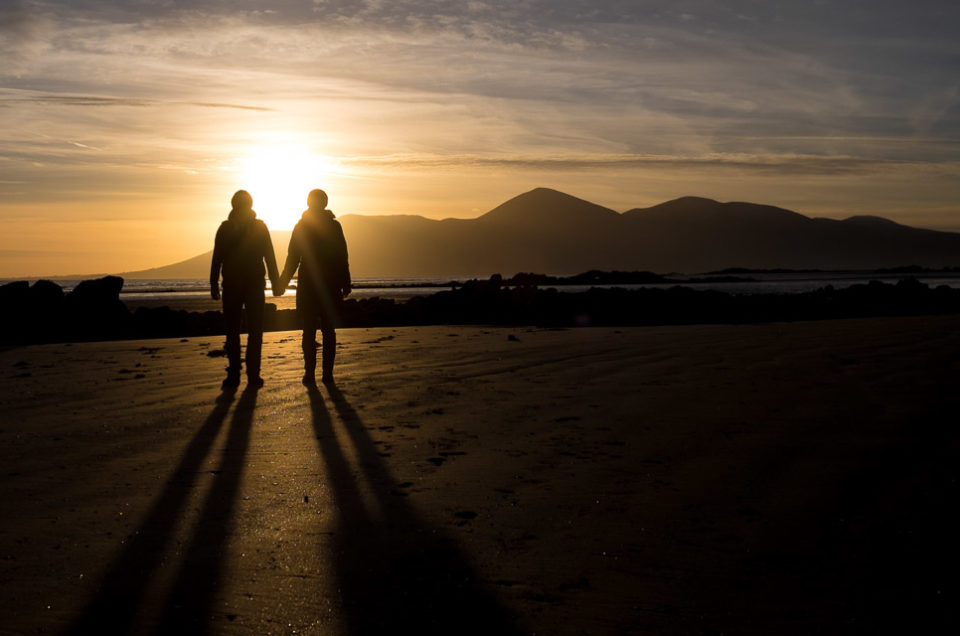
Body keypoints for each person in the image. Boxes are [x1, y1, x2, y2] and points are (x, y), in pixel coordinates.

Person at [279, 189, 351, 385]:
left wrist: (282, 282)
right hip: (327, 283)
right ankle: (324, 374)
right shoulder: (332, 226)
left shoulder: (303, 226)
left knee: (311, 330)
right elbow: (342, 255)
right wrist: (345, 281)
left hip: (313, 283)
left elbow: (292, 257)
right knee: (326, 330)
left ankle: (311, 374)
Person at [210, 190, 281, 389]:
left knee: (241, 331)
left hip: (247, 283)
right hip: (241, 284)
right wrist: (213, 282)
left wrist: (214, 283)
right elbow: (218, 257)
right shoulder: (230, 228)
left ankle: (244, 375)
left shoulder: (238, 227)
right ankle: (244, 375)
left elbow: (217, 258)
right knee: (248, 331)